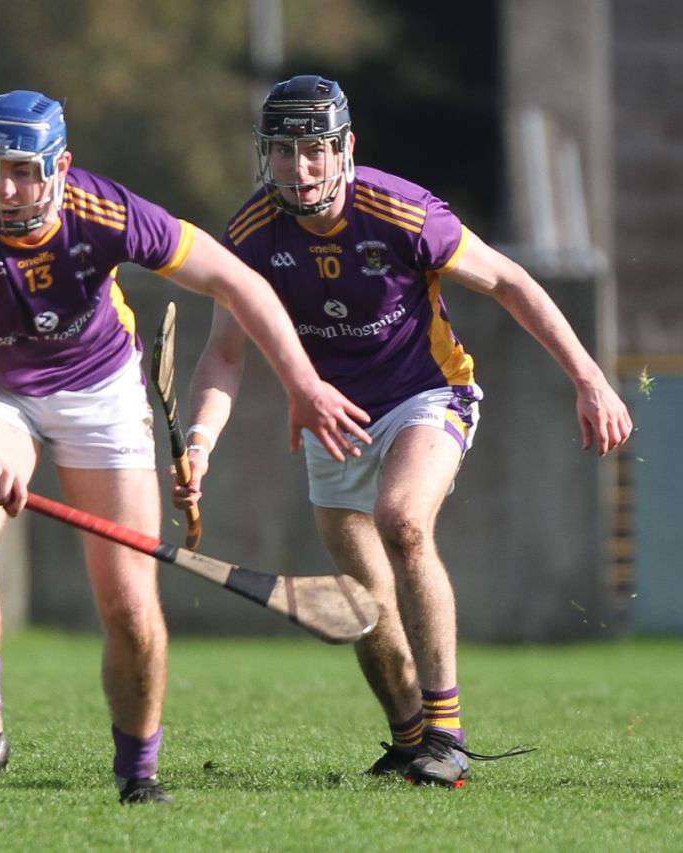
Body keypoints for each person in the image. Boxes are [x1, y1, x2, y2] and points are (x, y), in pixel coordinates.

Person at [0, 89, 372, 805]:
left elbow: (237, 280)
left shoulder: (110, 213)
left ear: (60, 166)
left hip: (101, 390)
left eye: (22, 170)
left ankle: (138, 773)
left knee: (128, 601)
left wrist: (304, 385)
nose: (2, 189)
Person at [177, 75, 633, 787]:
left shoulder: (400, 209)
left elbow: (510, 280)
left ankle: (447, 732)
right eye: (284, 153)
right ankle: (409, 739)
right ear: (263, 155)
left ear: (345, 148)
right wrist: (200, 441)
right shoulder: (251, 237)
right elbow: (223, 355)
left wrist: (589, 377)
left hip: (429, 393)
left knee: (403, 522)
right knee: (364, 602)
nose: (301, 170)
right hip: (334, 422)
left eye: (317, 151)